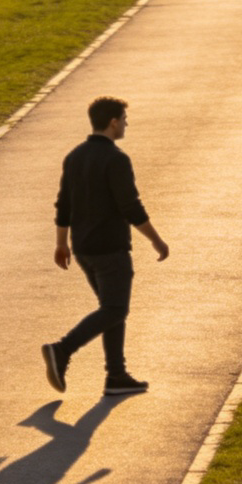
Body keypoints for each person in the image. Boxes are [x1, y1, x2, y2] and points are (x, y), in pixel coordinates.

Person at [42, 96, 169, 396]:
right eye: (124, 118)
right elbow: (131, 207)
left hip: (84, 249)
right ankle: (62, 350)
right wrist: (156, 240)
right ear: (113, 122)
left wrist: (61, 244)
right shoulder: (116, 159)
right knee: (114, 308)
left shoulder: (75, 156)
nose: (126, 124)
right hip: (111, 248)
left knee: (111, 309)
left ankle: (116, 376)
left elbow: (64, 205)